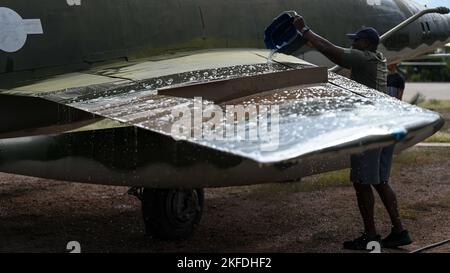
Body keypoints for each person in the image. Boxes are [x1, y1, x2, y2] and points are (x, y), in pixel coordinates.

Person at [292, 16, 412, 250]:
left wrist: (305, 31)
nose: (352, 45)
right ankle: (399, 231)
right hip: (386, 127)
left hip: (369, 130)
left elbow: (333, 51)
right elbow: (332, 52)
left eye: (356, 41)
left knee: (361, 182)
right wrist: (313, 43)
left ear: (366, 44)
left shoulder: (363, 58)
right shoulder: (378, 59)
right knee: (380, 181)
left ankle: (370, 236)